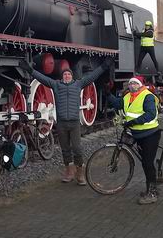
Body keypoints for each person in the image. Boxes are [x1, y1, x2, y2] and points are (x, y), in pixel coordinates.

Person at [20, 57, 113, 185]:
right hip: (62, 123)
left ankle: (80, 173)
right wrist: (30, 70)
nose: (67, 76)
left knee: (77, 148)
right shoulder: (56, 85)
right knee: (65, 149)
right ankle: (69, 171)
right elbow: (42, 78)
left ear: (72, 76)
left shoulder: (78, 84)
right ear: (62, 76)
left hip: (74, 123)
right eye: (65, 74)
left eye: (69, 74)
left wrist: (104, 66)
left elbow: (92, 76)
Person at [106, 77, 160, 204]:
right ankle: (151, 187)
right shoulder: (128, 97)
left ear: (140, 85)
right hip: (138, 134)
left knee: (147, 163)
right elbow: (118, 103)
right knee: (145, 162)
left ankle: (152, 193)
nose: (132, 85)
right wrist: (108, 93)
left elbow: (151, 114)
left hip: (150, 134)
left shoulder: (147, 96)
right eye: (130, 83)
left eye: (135, 83)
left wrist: (134, 121)